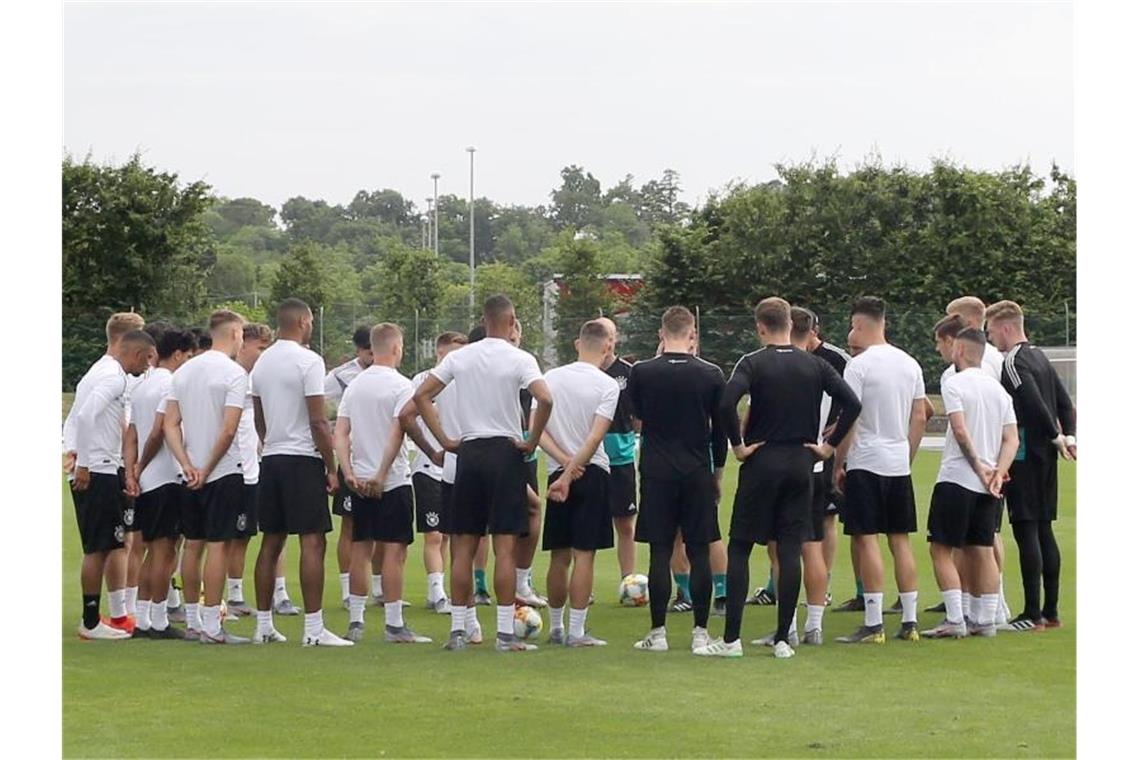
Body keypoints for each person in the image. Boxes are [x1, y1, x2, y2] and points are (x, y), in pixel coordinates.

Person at [696, 298, 860, 659]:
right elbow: (853, 403)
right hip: (801, 462)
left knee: (740, 546)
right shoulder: (815, 364)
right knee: (790, 549)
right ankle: (784, 638)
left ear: (760, 327)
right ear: (791, 323)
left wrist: (737, 445)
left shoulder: (753, 362)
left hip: (762, 460)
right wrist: (827, 447)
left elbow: (726, 404)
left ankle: (731, 640)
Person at [410, 294, 553, 652]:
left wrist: (444, 439)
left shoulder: (460, 357)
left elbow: (423, 397)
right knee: (504, 547)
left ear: (484, 319)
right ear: (511, 320)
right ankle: (505, 635)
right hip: (505, 452)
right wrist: (531, 440)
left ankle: (458, 631)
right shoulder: (520, 357)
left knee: (462, 545)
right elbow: (546, 399)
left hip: (468, 453)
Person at [250, 298, 351, 647]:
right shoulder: (308, 360)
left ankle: (263, 625)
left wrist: (270, 441)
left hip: (273, 458)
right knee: (313, 540)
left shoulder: (261, 363)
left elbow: (259, 415)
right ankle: (313, 628)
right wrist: (331, 467)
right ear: (304, 321)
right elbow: (319, 421)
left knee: (272, 540)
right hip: (301, 458)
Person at [628, 306, 727, 654]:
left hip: (657, 472)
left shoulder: (642, 371)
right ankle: (700, 632)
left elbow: (637, 417)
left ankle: (658, 632)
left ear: (661, 333)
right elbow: (720, 433)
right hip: (697, 471)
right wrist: (718, 475)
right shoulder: (711, 373)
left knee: (659, 551)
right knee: (699, 550)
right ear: (692, 335)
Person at [336, 323, 438, 644]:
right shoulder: (401, 386)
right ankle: (394, 624)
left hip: (359, 479)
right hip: (391, 480)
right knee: (395, 551)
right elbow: (400, 430)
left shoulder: (355, 386)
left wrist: (348, 471)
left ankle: (356, 621)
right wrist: (382, 472)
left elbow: (340, 433)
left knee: (360, 549)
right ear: (396, 348)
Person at [833, 297, 926, 644]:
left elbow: (850, 418)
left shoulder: (858, 366)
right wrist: (907, 454)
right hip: (897, 461)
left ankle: (874, 623)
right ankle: (910, 621)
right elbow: (919, 416)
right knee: (900, 539)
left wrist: (838, 462)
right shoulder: (910, 363)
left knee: (867, 536)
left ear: (859, 324)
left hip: (867, 460)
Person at [922, 327, 1019, 639]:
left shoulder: (954, 383)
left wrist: (978, 466)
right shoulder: (998, 391)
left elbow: (960, 430)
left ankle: (955, 617)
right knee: (982, 547)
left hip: (958, 477)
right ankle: (986, 619)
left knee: (941, 549)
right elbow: (1011, 439)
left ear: (959, 351)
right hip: (990, 483)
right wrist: (997, 473)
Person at [163, 310, 252, 645]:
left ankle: (193, 620)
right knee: (218, 545)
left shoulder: (184, 372)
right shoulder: (233, 373)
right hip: (222, 470)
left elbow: (170, 423)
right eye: (242, 333)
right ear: (233, 333)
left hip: (190, 472)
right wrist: (208, 467)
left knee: (193, 545)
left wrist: (187, 463)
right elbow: (229, 430)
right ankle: (213, 624)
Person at [985, 300, 1075, 630]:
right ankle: (1050, 612)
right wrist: (1070, 437)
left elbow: (1033, 402)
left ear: (1007, 328)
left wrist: (1055, 436)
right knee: (1044, 528)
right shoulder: (1040, 356)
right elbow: (1066, 403)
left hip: (1024, 454)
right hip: (1046, 456)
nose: (991, 337)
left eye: (992, 330)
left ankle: (1031, 613)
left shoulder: (1014, 361)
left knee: (1026, 529)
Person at [538, 320, 621, 646]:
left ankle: (556, 627)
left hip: (557, 472)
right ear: (607, 348)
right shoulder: (606, 385)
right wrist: (572, 470)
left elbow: (536, 429)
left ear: (577, 344)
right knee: (584, 554)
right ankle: (575, 631)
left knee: (559, 554)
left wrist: (562, 467)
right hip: (591, 472)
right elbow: (595, 435)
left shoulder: (549, 379)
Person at [63, 312, 148, 629]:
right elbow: (84, 418)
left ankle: (117, 615)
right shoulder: (110, 375)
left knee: (114, 543)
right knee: (99, 547)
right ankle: (90, 621)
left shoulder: (106, 372)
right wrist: (83, 462)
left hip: (105, 466)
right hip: (96, 468)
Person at [123, 326, 194, 638]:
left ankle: (143, 618)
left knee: (153, 550)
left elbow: (131, 434)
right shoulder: (173, 383)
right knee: (166, 551)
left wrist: (132, 470)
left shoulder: (142, 387)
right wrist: (140, 465)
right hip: (166, 475)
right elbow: (158, 431)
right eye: (189, 355)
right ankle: (159, 620)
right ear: (177, 354)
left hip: (150, 480)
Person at [406, 332, 467, 614]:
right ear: (439, 354)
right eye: (452, 353)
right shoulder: (424, 381)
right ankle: (437, 592)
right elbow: (408, 416)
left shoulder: (468, 381)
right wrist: (433, 448)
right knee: (433, 533)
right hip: (430, 467)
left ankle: (444, 589)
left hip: (459, 468)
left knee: (450, 534)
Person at [323, 326, 376, 608]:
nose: (373, 354)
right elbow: (320, 409)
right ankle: (347, 589)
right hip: (351, 461)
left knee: (381, 528)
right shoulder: (339, 377)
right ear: (358, 350)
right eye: (368, 351)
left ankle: (379, 587)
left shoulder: (389, 375)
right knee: (351, 524)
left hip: (381, 460)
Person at [223, 323, 273, 618]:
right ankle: (209, 599)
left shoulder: (255, 379)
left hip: (251, 469)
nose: (263, 355)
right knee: (219, 538)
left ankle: (236, 594)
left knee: (242, 535)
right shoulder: (231, 377)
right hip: (230, 469)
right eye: (260, 348)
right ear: (242, 345)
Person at [594, 317, 640, 596]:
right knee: (588, 523)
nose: (606, 342)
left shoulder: (630, 373)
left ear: (615, 339)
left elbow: (639, 417)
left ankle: (629, 584)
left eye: (609, 335)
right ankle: (584, 587)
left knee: (624, 523)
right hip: (590, 459)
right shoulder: (585, 372)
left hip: (621, 459)